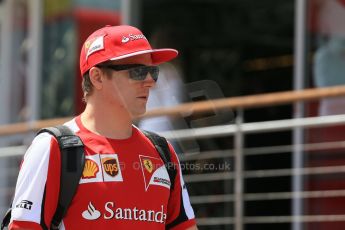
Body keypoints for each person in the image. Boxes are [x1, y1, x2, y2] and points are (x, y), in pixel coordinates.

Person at [8, 25, 197, 230]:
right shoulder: (52, 147)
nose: (150, 81)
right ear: (97, 77)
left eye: (153, 71)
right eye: (138, 72)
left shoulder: (163, 152)